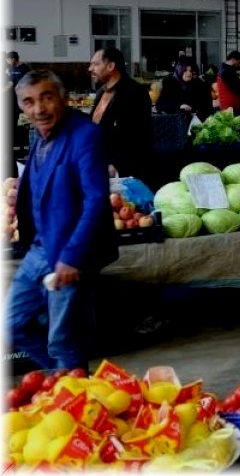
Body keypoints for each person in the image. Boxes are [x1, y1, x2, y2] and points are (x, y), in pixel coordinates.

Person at [8, 70, 117, 370]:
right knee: (11, 324)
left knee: (63, 340)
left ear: (63, 97)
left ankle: (72, 393)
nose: (39, 109)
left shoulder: (86, 135)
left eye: (46, 97)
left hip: (70, 252)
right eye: (28, 102)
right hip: (40, 248)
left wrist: (72, 258)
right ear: (20, 107)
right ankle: (64, 381)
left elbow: (96, 200)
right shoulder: (40, 136)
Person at [88, 47, 152, 180]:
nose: (90, 68)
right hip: (98, 165)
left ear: (111, 66)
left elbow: (138, 135)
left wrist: (116, 164)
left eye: (96, 64)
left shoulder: (135, 92)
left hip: (124, 173)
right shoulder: (101, 92)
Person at [217, 50, 240, 115]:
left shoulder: (225, 70)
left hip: (230, 107)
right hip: (232, 108)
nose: (239, 65)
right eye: (239, 62)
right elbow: (238, 89)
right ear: (233, 60)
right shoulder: (227, 72)